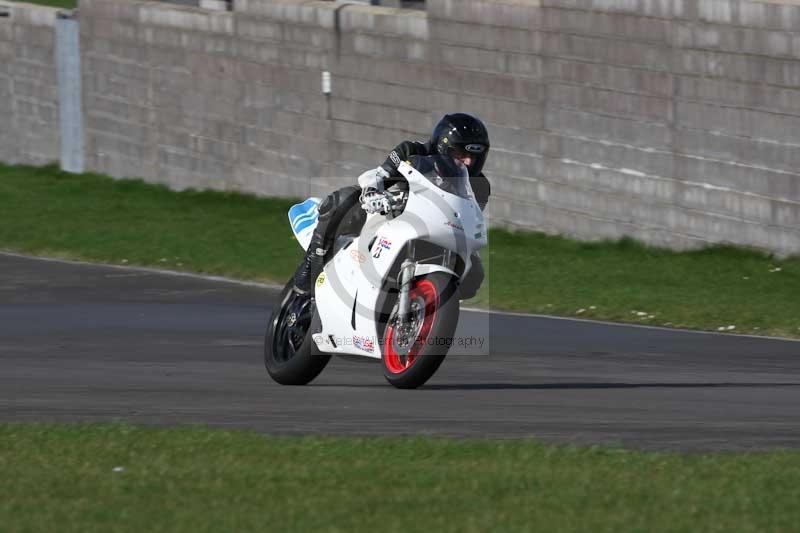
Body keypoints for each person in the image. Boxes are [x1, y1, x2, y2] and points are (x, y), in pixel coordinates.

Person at [292, 113, 491, 298]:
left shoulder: (480, 187)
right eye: (460, 153)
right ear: (442, 146)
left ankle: (428, 307)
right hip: (393, 213)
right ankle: (311, 263)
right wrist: (373, 192)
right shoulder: (411, 151)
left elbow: (468, 217)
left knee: (475, 275)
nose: (467, 161)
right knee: (344, 198)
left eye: (473, 156)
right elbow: (380, 175)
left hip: (440, 230)